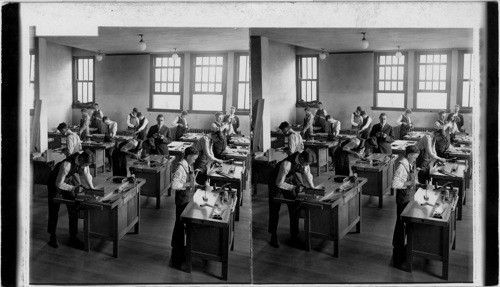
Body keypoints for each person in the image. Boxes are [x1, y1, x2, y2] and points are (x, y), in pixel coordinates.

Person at [268, 150, 317, 248]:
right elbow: (279, 183)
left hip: (288, 179)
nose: (306, 165)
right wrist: (293, 187)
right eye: (306, 163)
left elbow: (308, 174)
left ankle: (294, 236)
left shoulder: (304, 161)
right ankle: (273, 236)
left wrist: (313, 188)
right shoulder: (286, 164)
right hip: (276, 182)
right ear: (302, 159)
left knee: (294, 206)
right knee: (275, 209)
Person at [47, 150, 95, 249]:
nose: (86, 166)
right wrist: (73, 188)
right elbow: (59, 184)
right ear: (81, 159)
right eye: (85, 164)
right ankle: (52, 236)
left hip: (66, 179)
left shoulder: (84, 160)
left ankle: (73, 237)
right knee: (54, 209)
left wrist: (92, 189)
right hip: (55, 182)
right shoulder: (66, 165)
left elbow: (88, 176)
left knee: (74, 206)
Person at [170, 146, 199, 269]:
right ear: (188, 156)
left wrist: (199, 185)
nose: (194, 160)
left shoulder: (188, 165)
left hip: (187, 199)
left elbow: (192, 181)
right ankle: (177, 254)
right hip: (182, 201)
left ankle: (181, 249)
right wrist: (189, 184)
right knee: (180, 225)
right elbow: (175, 185)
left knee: (182, 225)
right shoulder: (181, 167)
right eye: (194, 158)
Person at [391, 145, 420, 269]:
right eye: (414, 157)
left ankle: (402, 249)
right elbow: (395, 184)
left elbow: (413, 180)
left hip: (409, 197)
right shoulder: (401, 166)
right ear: (409, 155)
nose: (415, 159)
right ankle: (398, 253)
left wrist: (419, 184)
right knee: (401, 224)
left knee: (404, 224)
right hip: (403, 199)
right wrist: (410, 183)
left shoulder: (409, 164)